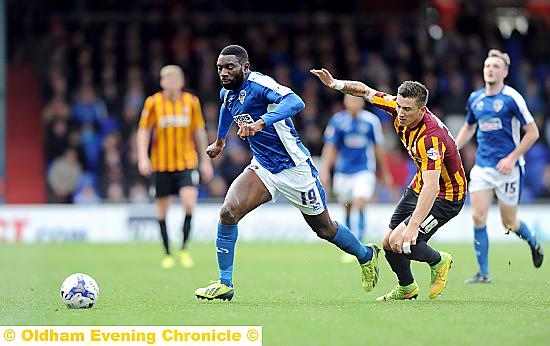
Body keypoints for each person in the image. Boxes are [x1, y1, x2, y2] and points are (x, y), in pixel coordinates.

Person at [194, 45, 379, 301]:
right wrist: (220, 141)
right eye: (220, 68)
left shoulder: (261, 84)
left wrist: (262, 122)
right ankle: (225, 284)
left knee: (325, 229)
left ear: (245, 67)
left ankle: (366, 255)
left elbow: (296, 101)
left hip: (295, 169)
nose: (223, 72)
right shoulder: (228, 93)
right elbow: (227, 109)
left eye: (229, 67)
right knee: (228, 212)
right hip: (263, 167)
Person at [311, 68, 467, 301]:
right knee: (388, 244)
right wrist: (336, 84)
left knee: (403, 241)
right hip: (419, 185)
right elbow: (364, 90)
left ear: (422, 110)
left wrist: (413, 226)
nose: (401, 113)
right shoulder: (395, 106)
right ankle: (407, 287)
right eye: (400, 106)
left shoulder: (430, 138)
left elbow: (434, 187)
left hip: (447, 194)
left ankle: (439, 261)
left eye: (407, 109)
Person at [454, 49, 543, 284]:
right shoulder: (476, 98)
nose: (490, 69)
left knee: (509, 223)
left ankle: (533, 241)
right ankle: (483, 273)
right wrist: (452, 148)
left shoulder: (512, 98)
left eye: (495, 66)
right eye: (487, 66)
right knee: (477, 215)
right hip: (483, 166)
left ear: (505, 72)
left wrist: (512, 157)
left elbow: (533, 132)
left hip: (508, 169)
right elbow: (469, 127)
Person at [137, 65, 213, 269]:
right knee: (162, 211)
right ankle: (167, 252)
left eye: (174, 80)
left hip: (186, 162)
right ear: (162, 82)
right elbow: (144, 131)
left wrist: (205, 160)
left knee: (189, 203)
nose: (170, 83)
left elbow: (199, 131)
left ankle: (184, 248)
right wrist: (143, 158)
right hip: (161, 165)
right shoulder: (153, 102)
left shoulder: (191, 102)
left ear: (181, 82)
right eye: (166, 80)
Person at [320, 95, 392, 263]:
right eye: (350, 99)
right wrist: (324, 170)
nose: (353, 102)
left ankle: (359, 244)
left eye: (356, 99)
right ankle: (350, 244)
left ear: (362, 102)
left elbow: (378, 148)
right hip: (343, 171)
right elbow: (330, 147)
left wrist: (385, 172)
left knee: (360, 203)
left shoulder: (371, 122)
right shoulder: (337, 121)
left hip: (364, 170)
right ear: (344, 102)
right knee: (347, 207)